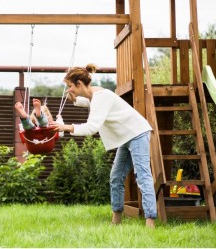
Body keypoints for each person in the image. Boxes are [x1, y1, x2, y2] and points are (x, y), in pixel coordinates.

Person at [49, 63, 157, 228]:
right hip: (125, 137)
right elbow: (89, 102)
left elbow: (92, 128)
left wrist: (66, 127)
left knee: (142, 176)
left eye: (70, 86)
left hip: (137, 133)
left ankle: (150, 222)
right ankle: (116, 222)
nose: (68, 90)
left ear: (79, 84)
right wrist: (76, 100)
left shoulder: (101, 96)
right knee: (116, 177)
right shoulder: (95, 93)